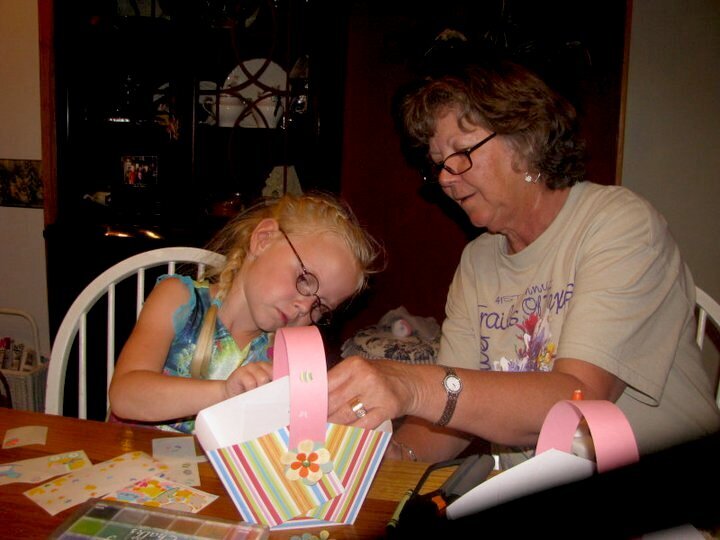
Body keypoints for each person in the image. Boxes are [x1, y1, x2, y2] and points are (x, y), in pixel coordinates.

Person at [327, 58, 720, 468]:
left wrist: (411, 385)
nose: (445, 177)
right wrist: (382, 462)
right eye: (439, 161)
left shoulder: (620, 225)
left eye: (461, 152)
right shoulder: (478, 261)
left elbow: (580, 400)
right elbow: (453, 417)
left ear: (526, 140)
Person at [109, 191, 382, 433]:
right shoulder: (179, 298)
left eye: (321, 307)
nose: (305, 307)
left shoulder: (283, 356)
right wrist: (224, 392)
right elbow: (125, 396)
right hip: (132, 464)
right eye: (304, 279)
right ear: (263, 240)